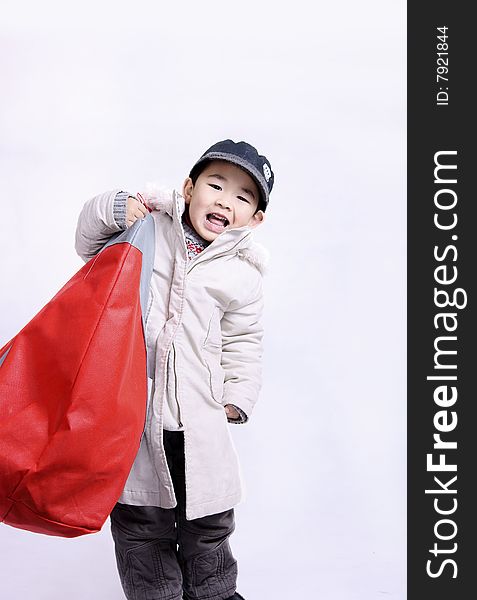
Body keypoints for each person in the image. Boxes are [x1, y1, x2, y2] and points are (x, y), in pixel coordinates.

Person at [75, 139, 274, 600]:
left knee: (207, 525)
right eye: (216, 185)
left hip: (198, 419)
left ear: (255, 219)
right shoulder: (147, 229)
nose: (226, 199)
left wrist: (237, 397)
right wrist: (116, 207)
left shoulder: (242, 275)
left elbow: (245, 341)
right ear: (188, 188)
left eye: (243, 196)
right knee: (141, 525)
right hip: (132, 414)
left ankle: (216, 594)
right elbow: (87, 242)